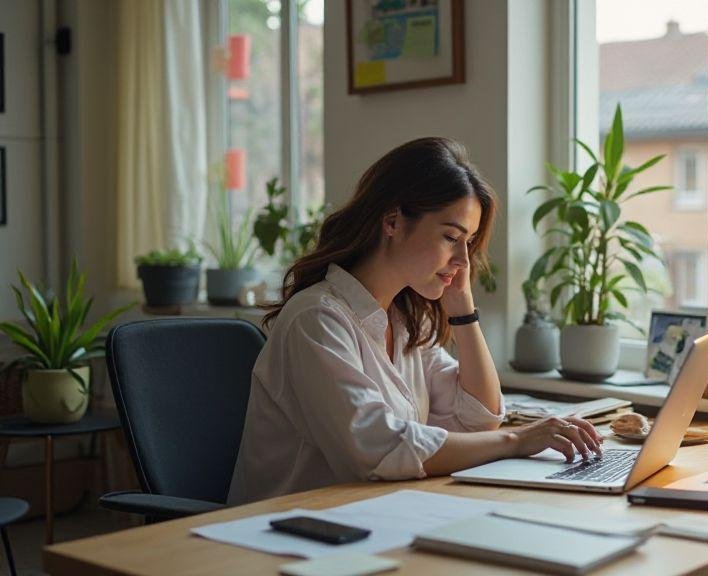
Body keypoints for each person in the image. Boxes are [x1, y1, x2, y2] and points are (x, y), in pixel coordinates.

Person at [228, 137, 603, 504]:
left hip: (374, 513)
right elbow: (379, 449)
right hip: (285, 532)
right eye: (451, 237)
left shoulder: (406, 321)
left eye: (468, 243)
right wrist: (518, 440)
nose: (463, 260)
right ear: (392, 221)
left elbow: (480, 418)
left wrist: (463, 309)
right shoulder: (316, 319)